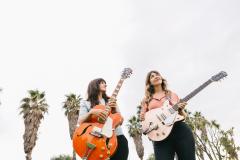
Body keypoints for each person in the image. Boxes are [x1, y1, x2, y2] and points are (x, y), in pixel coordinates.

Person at [140, 70, 195, 160]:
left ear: (161, 78)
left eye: (157, 74)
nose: (156, 76)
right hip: (160, 136)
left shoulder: (172, 95)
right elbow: (143, 119)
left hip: (180, 131)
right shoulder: (146, 100)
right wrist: (143, 118)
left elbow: (183, 116)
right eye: (152, 76)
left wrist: (181, 109)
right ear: (149, 83)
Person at [78, 78, 129, 160]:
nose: (105, 84)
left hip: (117, 137)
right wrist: (92, 112)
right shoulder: (85, 102)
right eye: (102, 83)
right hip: (96, 140)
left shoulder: (110, 101)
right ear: (94, 85)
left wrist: (115, 108)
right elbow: (80, 121)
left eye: (105, 83)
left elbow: (121, 120)